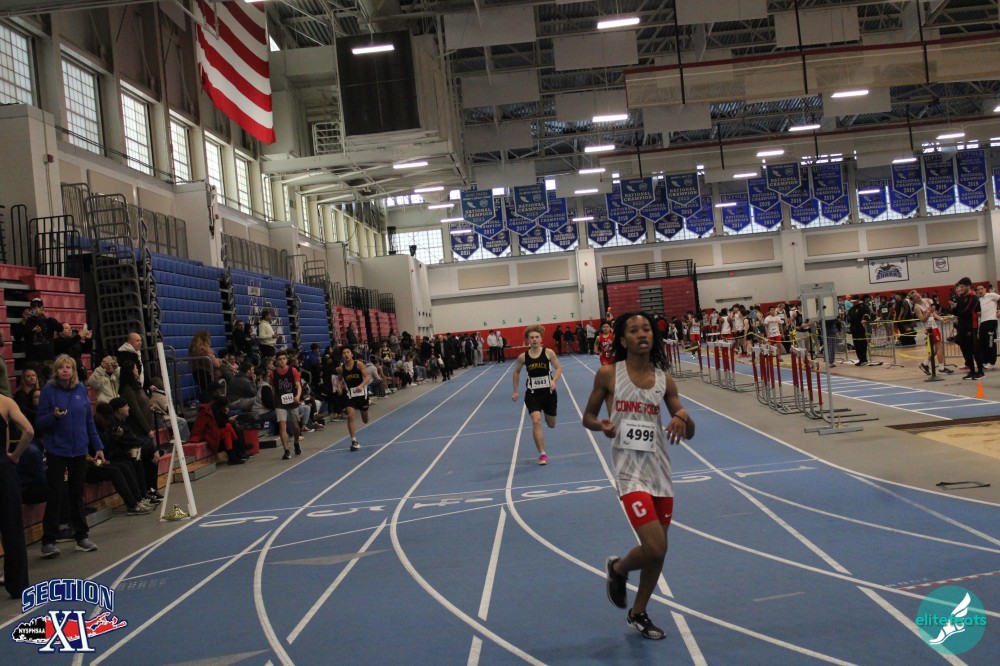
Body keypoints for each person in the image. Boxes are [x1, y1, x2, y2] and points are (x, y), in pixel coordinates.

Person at [582, 312, 695, 641]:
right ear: (622, 340)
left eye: (646, 329)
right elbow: (588, 416)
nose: (642, 334)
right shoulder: (608, 375)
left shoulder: (664, 379)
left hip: (660, 472)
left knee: (659, 551)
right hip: (629, 473)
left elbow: (689, 429)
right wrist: (601, 425)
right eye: (633, 330)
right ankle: (618, 568)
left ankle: (638, 612)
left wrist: (683, 416)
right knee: (655, 546)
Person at [36, 354, 105, 557]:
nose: (65, 370)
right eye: (61, 367)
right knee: (56, 493)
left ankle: (81, 536)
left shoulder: (81, 389)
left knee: (77, 492)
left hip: (79, 449)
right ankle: (48, 540)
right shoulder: (49, 391)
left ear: (74, 371)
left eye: (68, 367)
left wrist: (97, 446)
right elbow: (39, 422)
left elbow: (89, 421)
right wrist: (54, 417)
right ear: (56, 371)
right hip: (57, 449)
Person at [511, 325, 563, 465]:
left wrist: (553, 381)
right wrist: (515, 391)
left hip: (549, 393)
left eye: (536, 337)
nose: (534, 340)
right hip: (532, 394)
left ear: (541, 339)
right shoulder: (523, 357)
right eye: (531, 337)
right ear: (527, 340)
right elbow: (516, 372)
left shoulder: (548, 353)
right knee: (536, 421)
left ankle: (548, 416)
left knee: (551, 424)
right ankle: (542, 454)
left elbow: (558, 368)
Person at [0, 392, 34, 598]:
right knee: (12, 527)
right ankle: (18, 585)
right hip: (3, 471)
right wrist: (14, 455)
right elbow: (28, 431)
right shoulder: (5, 402)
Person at [911, 290, 952, 376]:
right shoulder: (917, 307)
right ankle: (941, 369)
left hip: (934, 326)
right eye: (914, 296)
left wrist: (941, 319)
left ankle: (925, 364)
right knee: (940, 347)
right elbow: (922, 319)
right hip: (929, 328)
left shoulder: (926, 300)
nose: (917, 296)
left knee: (937, 349)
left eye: (917, 294)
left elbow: (933, 312)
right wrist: (929, 312)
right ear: (913, 299)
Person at [18, 298, 61, 379]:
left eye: (39, 306)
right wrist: (23, 321)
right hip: (32, 360)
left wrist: (47, 317)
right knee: (35, 384)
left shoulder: (48, 320)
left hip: (48, 359)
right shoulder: (27, 321)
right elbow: (17, 337)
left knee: (52, 383)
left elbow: (60, 328)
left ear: (42, 307)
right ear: (30, 308)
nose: (36, 308)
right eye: (34, 306)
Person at [270, 350, 302, 459]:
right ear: (277, 361)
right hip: (280, 402)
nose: (282, 361)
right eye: (280, 359)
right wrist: (275, 399)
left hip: (292, 400)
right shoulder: (273, 374)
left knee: (296, 427)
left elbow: (298, 385)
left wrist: (297, 396)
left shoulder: (293, 371)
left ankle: (296, 442)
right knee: (282, 425)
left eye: (284, 359)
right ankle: (286, 450)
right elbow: (273, 388)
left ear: (287, 360)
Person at [339, 346, 371, 452]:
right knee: (350, 416)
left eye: (348, 352)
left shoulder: (358, 364)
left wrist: (361, 386)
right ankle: (354, 441)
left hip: (362, 395)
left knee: (365, 420)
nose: (346, 354)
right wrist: (339, 387)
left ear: (352, 354)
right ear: (342, 356)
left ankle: (365, 412)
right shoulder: (341, 369)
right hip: (351, 395)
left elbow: (367, 377)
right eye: (344, 353)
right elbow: (339, 381)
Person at [952, 277, 983, 380]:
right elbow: (956, 312)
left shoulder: (973, 298)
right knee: (965, 349)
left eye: (962, 287)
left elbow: (966, 312)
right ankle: (972, 371)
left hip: (971, 327)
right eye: (959, 287)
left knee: (974, 349)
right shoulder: (961, 297)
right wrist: (954, 307)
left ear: (968, 286)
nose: (960, 289)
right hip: (962, 327)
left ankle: (980, 371)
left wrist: (957, 310)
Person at [975, 284, 999, 369]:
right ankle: (984, 361)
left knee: (990, 342)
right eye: (978, 290)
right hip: (983, 322)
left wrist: (999, 311)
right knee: (982, 343)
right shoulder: (979, 300)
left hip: (991, 321)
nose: (980, 291)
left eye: (981, 289)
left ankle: (992, 363)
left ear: (985, 289)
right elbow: (980, 312)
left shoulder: (991, 295)